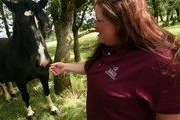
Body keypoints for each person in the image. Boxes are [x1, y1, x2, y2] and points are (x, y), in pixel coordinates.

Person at [50, 0, 180, 120]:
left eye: (99, 20)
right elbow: (96, 67)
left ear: (121, 21)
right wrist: (66, 66)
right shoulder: (110, 46)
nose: (95, 26)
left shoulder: (161, 64)